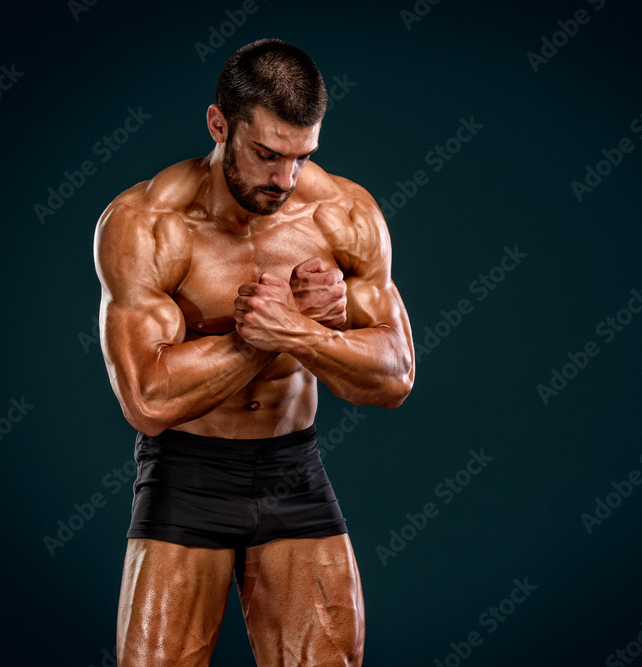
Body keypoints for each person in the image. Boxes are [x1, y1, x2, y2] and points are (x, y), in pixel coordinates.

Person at [93, 38, 414, 666]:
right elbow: (149, 399)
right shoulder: (148, 223)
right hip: (186, 472)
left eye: (301, 157)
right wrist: (279, 329)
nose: (284, 180)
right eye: (267, 154)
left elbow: (395, 375)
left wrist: (298, 332)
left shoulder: (344, 214)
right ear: (219, 124)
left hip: (292, 469)